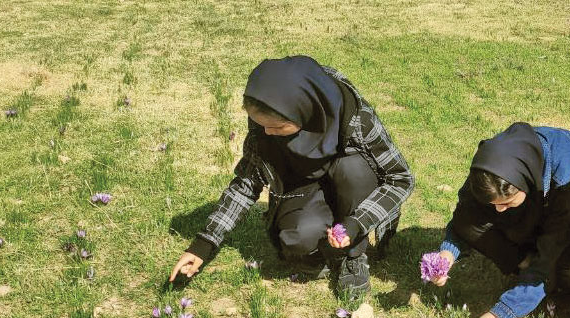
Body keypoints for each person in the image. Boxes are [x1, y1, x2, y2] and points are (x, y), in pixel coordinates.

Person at [169, 56, 413, 298]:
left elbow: (401, 178)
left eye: (276, 127)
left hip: (353, 182)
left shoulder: (354, 116)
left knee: (354, 169)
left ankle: (354, 257)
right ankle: (328, 249)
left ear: (305, 111)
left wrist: (357, 223)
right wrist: (203, 246)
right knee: (299, 240)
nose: (267, 132)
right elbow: (245, 185)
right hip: (303, 187)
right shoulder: (267, 121)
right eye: (260, 124)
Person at [423, 123, 570, 318]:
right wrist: (447, 255)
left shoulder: (567, 181)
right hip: (536, 216)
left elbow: (546, 260)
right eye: (494, 204)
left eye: (506, 203)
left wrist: (499, 316)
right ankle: (523, 261)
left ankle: (535, 272)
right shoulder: (489, 169)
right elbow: (466, 218)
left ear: (526, 180)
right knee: (474, 223)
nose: (498, 210)